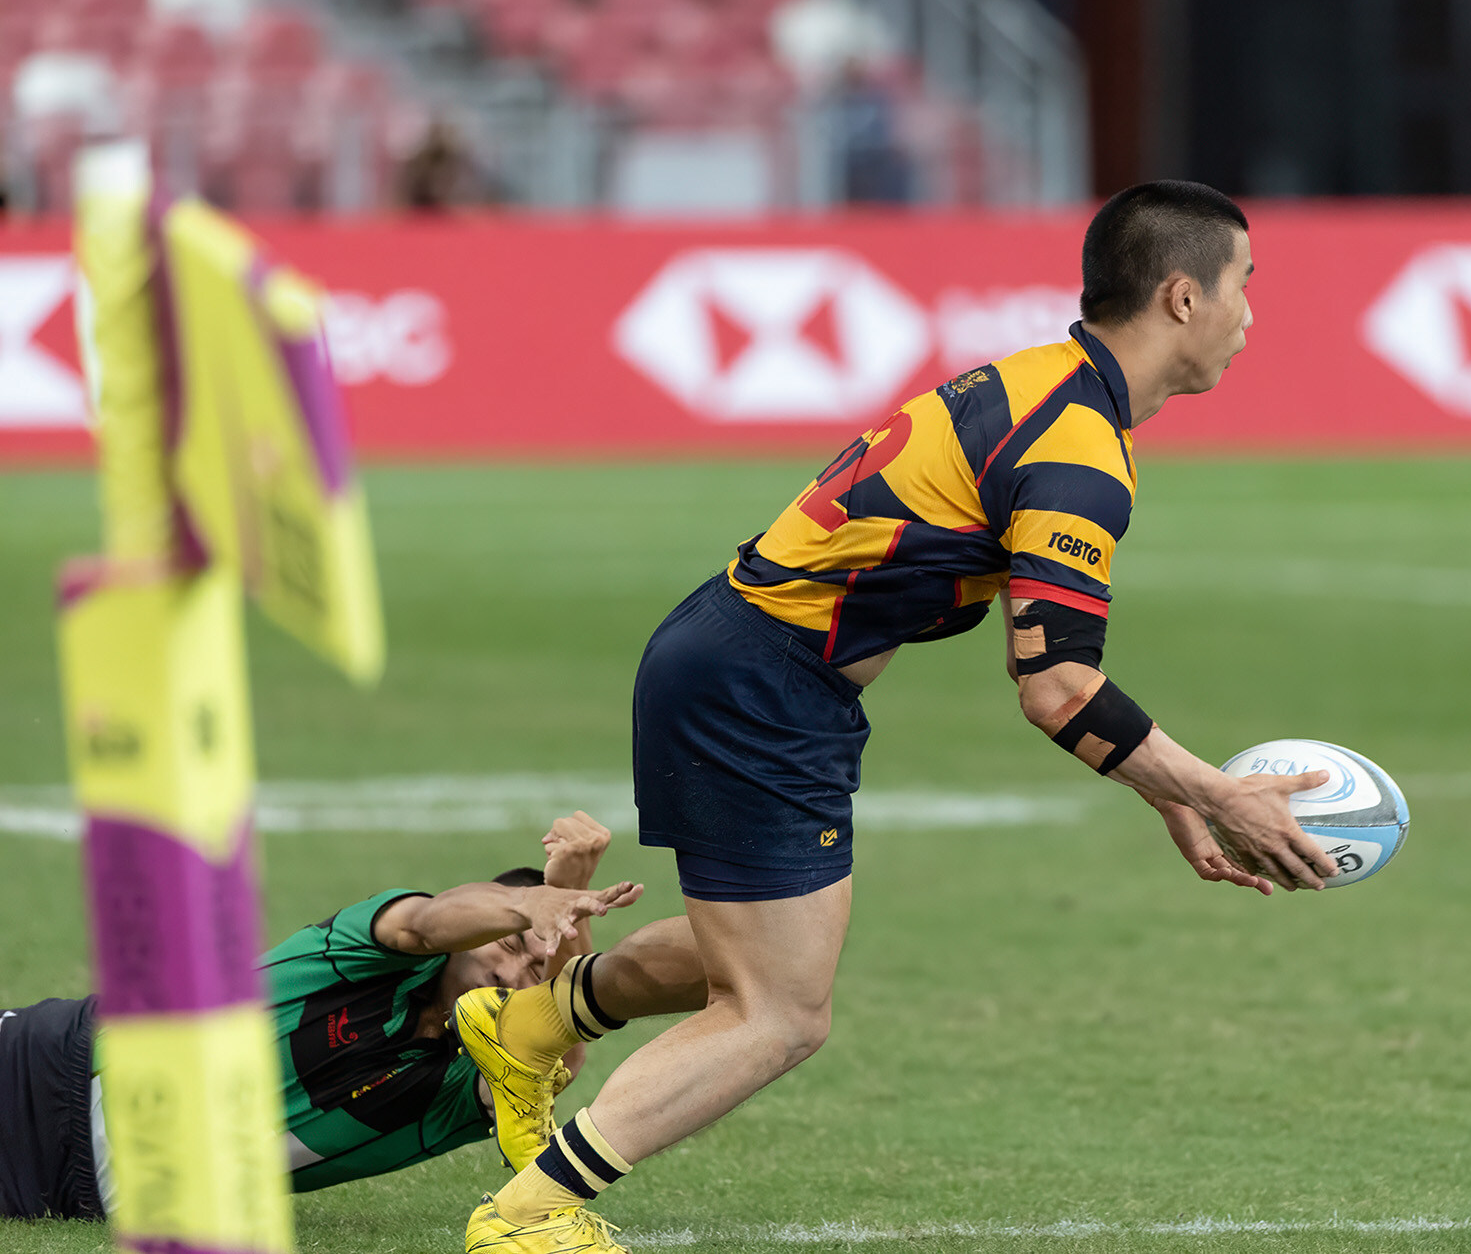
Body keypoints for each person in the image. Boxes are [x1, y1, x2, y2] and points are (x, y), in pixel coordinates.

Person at [457, 180, 1342, 1253]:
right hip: (760, 690)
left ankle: (533, 1026)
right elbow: (1054, 687)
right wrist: (1216, 794)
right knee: (781, 1013)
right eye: (1247, 285)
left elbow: (1055, 673)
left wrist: (1171, 788)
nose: (1255, 315)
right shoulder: (1076, 452)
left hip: (738, 659)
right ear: (1182, 297)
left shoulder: (1041, 381)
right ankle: (528, 1216)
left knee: (757, 950)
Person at [0, 813, 706, 1222]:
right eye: (509, 944)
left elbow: (556, 1054)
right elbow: (429, 923)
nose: (511, 971)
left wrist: (566, 906)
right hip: (53, 1066)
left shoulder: (463, 1089)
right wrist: (533, 904)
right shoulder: (365, 952)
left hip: (86, 1192)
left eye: (532, 971)